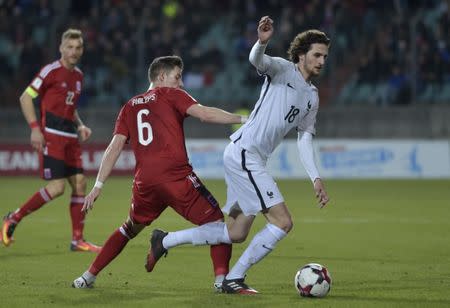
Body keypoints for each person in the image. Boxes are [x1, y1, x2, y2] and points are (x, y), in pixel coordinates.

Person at [145, 16, 331, 294]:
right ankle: (234, 277)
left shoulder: (312, 97)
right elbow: (258, 61)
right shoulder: (282, 69)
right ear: (301, 55)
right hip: (246, 155)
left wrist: (315, 177)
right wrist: (262, 42)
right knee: (283, 222)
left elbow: (304, 138)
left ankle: (165, 240)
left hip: (245, 157)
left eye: (325, 56)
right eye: (317, 55)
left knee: (236, 232)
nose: (321, 61)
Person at [72, 55, 247, 290]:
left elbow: (114, 147)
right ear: (162, 77)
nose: (181, 83)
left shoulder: (129, 106)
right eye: (177, 77)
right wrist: (245, 119)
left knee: (128, 228)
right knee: (216, 221)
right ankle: (220, 281)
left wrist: (98, 186)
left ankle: (87, 277)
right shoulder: (171, 94)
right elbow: (205, 114)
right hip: (176, 178)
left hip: (145, 183)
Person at [1, 29, 101, 253]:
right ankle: (14, 218)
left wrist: (81, 125)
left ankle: (77, 240)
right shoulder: (50, 71)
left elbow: (70, 107)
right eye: (70, 47)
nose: (74, 51)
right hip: (52, 135)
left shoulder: (79, 76)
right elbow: (26, 97)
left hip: (70, 137)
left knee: (80, 183)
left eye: (78, 48)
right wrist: (35, 129)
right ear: (61, 48)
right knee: (56, 188)